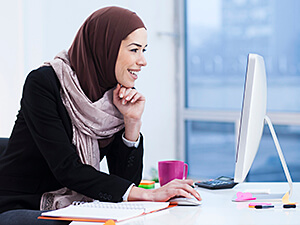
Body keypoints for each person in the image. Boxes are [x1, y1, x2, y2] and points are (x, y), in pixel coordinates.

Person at [0, 6, 201, 224]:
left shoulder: (113, 96)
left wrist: (131, 123)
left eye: (144, 50)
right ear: (105, 47)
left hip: (75, 206)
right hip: (24, 203)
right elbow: (67, 169)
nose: (143, 61)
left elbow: (125, 182)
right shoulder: (44, 83)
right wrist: (149, 194)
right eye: (134, 50)